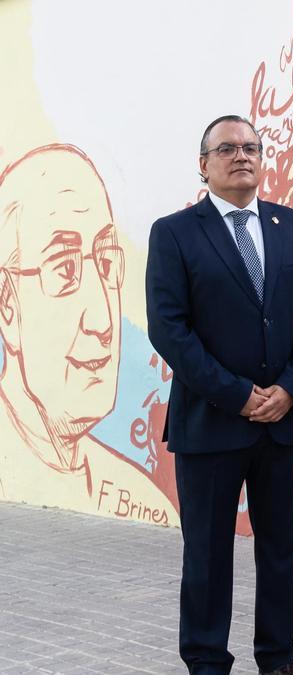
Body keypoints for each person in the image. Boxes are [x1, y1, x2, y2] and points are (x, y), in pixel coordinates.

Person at [146, 115, 293, 675]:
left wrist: (289, 389)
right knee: (207, 553)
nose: (241, 156)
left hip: (282, 419)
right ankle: (206, 661)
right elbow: (169, 328)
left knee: (279, 550)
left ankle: (278, 659)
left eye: (251, 147)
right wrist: (239, 395)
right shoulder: (174, 232)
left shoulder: (292, 226)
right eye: (226, 149)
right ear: (203, 165)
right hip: (211, 421)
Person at [0, 144, 176, 525]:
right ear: (8, 303)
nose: (103, 319)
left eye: (107, 261)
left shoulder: (139, 496)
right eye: (64, 269)